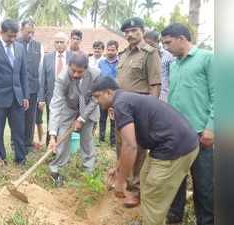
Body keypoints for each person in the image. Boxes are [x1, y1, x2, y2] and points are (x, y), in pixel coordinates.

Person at [90, 76, 199, 225]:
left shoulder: (120, 104)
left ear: (108, 92)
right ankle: (148, 220)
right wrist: (118, 168)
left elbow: (130, 146)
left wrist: (121, 182)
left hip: (175, 147)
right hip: (169, 144)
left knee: (154, 192)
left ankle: (152, 220)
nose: (96, 101)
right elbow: (130, 143)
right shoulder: (125, 100)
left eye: (97, 96)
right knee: (145, 179)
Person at [161, 23, 214, 225]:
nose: (166, 47)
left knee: (204, 185)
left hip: (201, 134)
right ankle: (174, 219)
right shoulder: (173, 65)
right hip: (177, 135)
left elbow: (221, 94)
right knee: (175, 182)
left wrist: (211, 126)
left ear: (182, 38)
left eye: (168, 42)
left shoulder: (207, 59)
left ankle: (207, 221)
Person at [115, 17, 162, 201]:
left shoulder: (150, 53)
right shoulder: (123, 54)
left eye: (134, 30)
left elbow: (155, 85)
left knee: (138, 149)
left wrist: (149, 113)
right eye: (127, 32)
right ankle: (122, 180)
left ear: (142, 31)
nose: (130, 34)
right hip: (121, 109)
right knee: (121, 146)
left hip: (139, 110)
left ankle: (135, 189)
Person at [47, 53, 100, 187]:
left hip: (89, 107)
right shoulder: (62, 77)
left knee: (86, 139)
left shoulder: (96, 74)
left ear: (86, 69)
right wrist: (52, 135)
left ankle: (88, 170)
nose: (75, 74)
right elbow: (56, 104)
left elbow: (95, 99)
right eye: (73, 70)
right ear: (68, 66)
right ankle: (56, 169)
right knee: (62, 137)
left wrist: (82, 118)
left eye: (80, 72)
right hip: (69, 108)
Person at [0, 19, 29, 166]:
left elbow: (23, 74)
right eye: (9, 36)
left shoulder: (20, 48)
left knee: (19, 131)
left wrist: (25, 96)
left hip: (17, 98)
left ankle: (20, 159)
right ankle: (0, 158)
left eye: (15, 36)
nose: (12, 39)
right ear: (1, 32)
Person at [38, 32, 72, 146]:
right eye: (56, 42)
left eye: (61, 42)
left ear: (67, 43)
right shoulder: (47, 58)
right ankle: (50, 147)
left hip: (69, 97)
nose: (59, 44)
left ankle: (64, 148)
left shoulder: (73, 57)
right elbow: (42, 80)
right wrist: (41, 98)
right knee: (51, 121)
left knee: (66, 123)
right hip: (51, 97)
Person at [16, 20, 44, 153]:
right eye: (28, 32)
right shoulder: (15, 44)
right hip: (18, 88)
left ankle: (28, 144)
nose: (31, 35)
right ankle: (16, 143)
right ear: (22, 30)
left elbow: (40, 69)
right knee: (17, 117)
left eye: (33, 32)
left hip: (33, 88)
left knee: (30, 118)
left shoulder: (38, 45)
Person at [97, 40, 119, 146]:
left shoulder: (120, 63)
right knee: (102, 117)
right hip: (103, 94)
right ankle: (101, 139)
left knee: (114, 118)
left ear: (117, 50)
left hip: (116, 95)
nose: (110, 52)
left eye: (112, 50)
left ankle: (113, 141)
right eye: (108, 50)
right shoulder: (101, 63)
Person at [144, 30, 174, 102]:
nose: (146, 46)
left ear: (157, 42)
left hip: (163, 97)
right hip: (146, 95)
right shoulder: (143, 55)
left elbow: (172, 78)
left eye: (149, 43)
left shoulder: (168, 56)